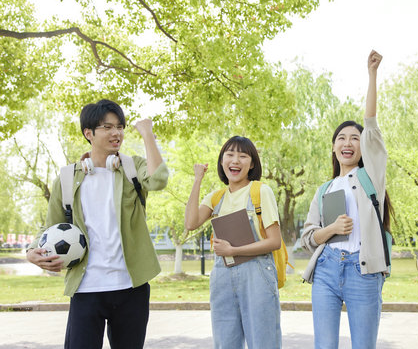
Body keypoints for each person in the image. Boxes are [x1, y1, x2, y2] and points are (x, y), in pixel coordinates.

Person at [26, 99, 169, 349]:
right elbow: (50, 227)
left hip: (131, 287)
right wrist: (31, 252)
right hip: (86, 287)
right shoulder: (68, 178)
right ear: (88, 133)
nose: (117, 133)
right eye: (107, 127)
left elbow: (158, 180)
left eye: (120, 126)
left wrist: (147, 134)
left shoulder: (132, 168)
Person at [300, 50, 391, 349]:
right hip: (325, 270)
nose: (347, 142)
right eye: (341, 138)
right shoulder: (324, 189)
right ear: (334, 147)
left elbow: (372, 124)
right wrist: (333, 229)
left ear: (363, 147)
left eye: (355, 138)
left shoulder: (371, 178)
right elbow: (308, 238)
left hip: (362, 272)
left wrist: (372, 75)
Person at [184, 136, 282, 349]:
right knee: (225, 343)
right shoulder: (215, 198)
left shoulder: (260, 191)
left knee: (263, 342)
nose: (235, 160)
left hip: (256, 275)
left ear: (252, 163)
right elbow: (191, 223)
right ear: (221, 161)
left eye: (242, 156)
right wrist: (197, 179)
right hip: (222, 276)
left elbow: (275, 241)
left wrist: (234, 250)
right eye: (229, 155)